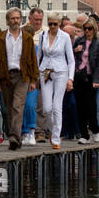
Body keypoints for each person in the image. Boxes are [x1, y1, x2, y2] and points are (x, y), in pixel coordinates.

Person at [0, 7, 39, 149]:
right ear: (7, 21)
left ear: (21, 20)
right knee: (8, 108)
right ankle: (14, 136)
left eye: (17, 18)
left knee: (17, 106)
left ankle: (14, 137)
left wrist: (33, 80)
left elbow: (32, 59)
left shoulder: (26, 38)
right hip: (6, 75)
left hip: (22, 76)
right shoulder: (0, 37)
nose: (15, 21)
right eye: (12, 18)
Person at [36, 14, 74, 149]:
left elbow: (71, 60)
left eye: (55, 24)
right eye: (50, 24)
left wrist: (70, 78)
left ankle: (56, 138)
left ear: (59, 25)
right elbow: (39, 55)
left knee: (57, 106)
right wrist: (36, 74)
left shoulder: (65, 37)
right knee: (46, 108)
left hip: (61, 72)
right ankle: (52, 130)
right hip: (45, 71)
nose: (52, 27)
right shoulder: (43, 35)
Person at [72, 19, 99, 142]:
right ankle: (84, 134)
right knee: (80, 107)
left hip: (90, 77)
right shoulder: (79, 41)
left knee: (91, 106)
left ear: (94, 29)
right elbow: (70, 56)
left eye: (89, 28)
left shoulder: (98, 44)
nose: (87, 31)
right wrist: (75, 51)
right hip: (79, 75)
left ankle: (95, 129)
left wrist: (96, 80)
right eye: (85, 28)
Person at [20, 6, 45, 146]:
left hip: (33, 80)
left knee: (32, 105)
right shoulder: (19, 44)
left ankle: (32, 130)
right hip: (21, 79)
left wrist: (35, 79)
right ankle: (24, 132)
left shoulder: (44, 33)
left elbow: (37, 64)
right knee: (21, 106)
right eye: (36, 19)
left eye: (40, 20)